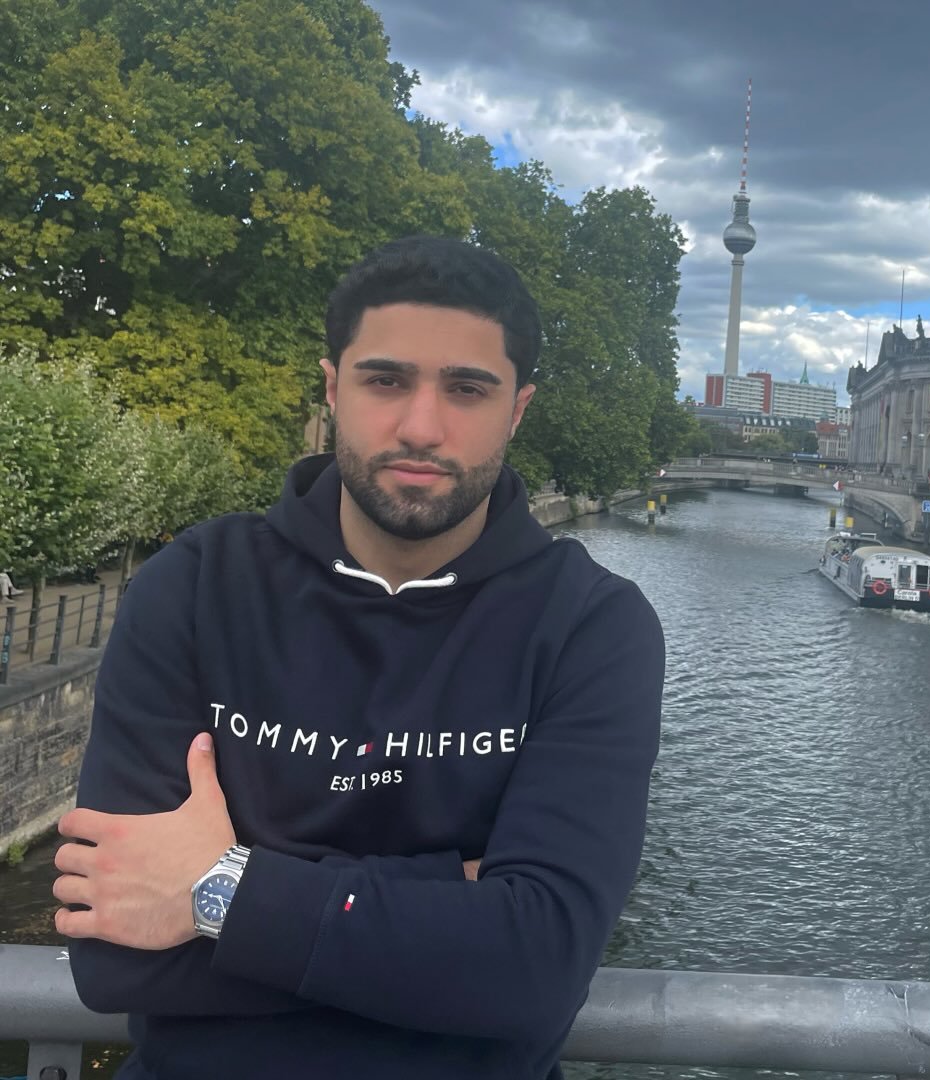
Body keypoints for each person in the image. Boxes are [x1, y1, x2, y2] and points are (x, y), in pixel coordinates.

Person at [52, 235, 665, 1080]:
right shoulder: (192, 586)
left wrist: (217, 890)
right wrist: (456, 901)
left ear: (517, 410)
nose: (421, 427)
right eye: (385, 381)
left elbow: (535, 968)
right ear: (333, 388)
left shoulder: (593, 625)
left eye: (467, 389)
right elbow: (114, 956)